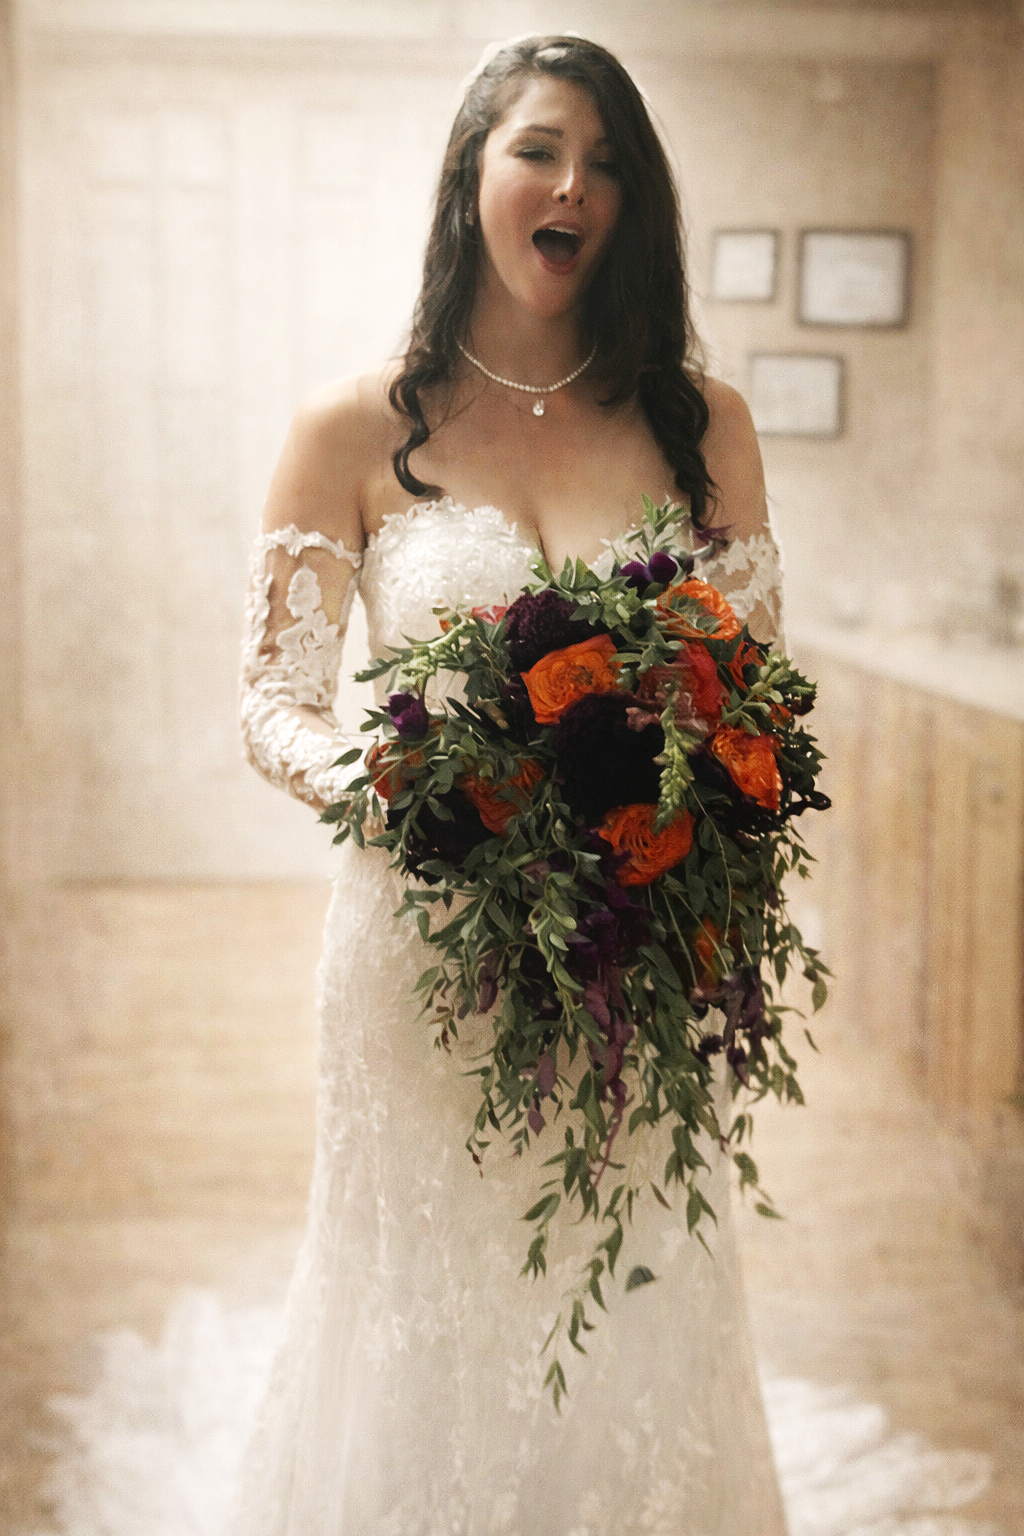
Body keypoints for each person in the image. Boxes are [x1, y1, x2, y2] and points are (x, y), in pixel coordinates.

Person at [235, 35, 787, 1536]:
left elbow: (750, 699)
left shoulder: (701, 425)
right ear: (473, 172)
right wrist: (398, 786)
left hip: (632, 951)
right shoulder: (352, 426)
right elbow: (272, 707)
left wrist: (689, 821)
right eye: (541, 149)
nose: (574, 186)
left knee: (632, 1285)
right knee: (423, 1293)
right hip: (419, 951)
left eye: (609, 164)